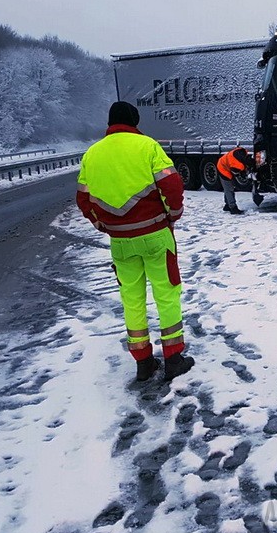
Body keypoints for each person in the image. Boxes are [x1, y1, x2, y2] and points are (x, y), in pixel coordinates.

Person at [76, 101, 195, 383]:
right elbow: (172, 185)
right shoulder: (147, 147)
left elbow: (83, 198)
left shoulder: (92, 154)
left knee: (132, 299)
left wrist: (103, 224)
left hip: (121, 242)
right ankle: (173, 358)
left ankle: (143, 362)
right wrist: (172, 216)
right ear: (134, 121)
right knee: (166, 293)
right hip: (155, 234)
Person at [217, 146, 253, 214]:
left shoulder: (242, 152)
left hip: (223, 162)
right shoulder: (238, 165)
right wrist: (242, 173)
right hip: (223, 169)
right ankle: (233, 208)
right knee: (229, 189)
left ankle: (227, 205)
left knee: (228, 188)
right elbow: (236, 172)